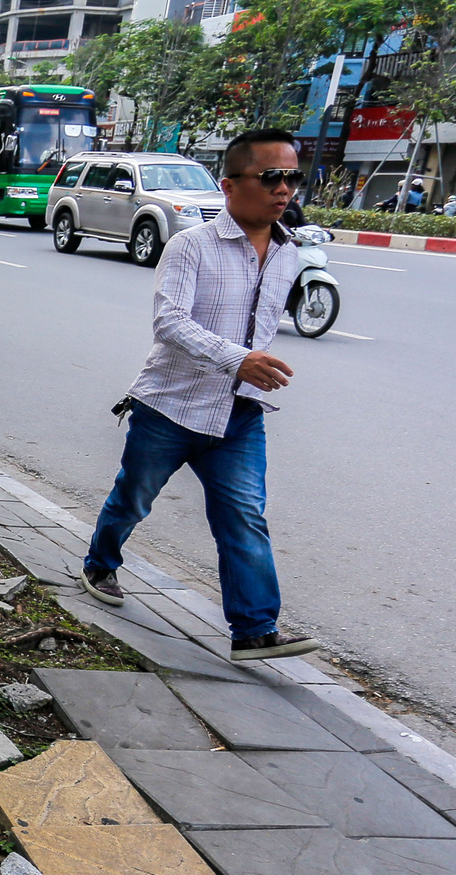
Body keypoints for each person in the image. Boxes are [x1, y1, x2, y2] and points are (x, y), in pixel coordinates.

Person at [80, 127, 320, 663]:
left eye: (293, 177)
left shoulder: (288, 253)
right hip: (169, 408)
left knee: (244, 516)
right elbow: (169, 323)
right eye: (271, 177)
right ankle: (100, 562)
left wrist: (247, 369)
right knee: (134, 498)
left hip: (237, 416)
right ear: (232, 185)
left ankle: (254, 630)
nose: (285, 189)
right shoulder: (191, 245)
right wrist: (240, 359)